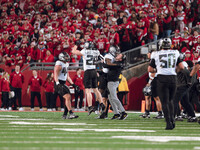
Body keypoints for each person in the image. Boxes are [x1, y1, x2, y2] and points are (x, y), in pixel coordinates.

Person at [148, 38, 184, 130]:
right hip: (173, 78)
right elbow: (181, 67)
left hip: (162, 78)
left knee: (164, 101)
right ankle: (172, 118)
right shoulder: (175, 52)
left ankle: (168, 123)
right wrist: (175, 71)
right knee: (171, 100)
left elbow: (150, 69)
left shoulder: (156, 54)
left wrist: (158, 69)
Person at [72, 40, 105, 115]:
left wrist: (76, 44)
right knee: (96, 90)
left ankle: (90, 107)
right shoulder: (96, 51)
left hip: (87, 71)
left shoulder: (84, 51)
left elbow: (74, 51)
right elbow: (103, 59)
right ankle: (102, 104)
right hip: (94, 71)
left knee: (88, 91)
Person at [103, 52, 128, 120]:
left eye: (120, 55)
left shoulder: (118, 64)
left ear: (121, 59)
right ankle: (116, 113)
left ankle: (123, 112)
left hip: (113, 82)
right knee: (110, 98)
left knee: (114, 98)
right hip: (110, 81)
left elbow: (107, 65)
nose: (118, 55)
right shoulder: (116, 63)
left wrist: (104, 61)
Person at [54, 51, 79, 119]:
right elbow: (55, 74)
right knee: (67, 97)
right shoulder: (59, 63)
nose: (67, 58)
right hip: (58, 82)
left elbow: (67, 76)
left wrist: (73, 84)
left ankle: (65, 115)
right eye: (66, 57)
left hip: (63, 83)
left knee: (68, 98)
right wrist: (57, 83)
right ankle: (71, 113)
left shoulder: (66, 64)